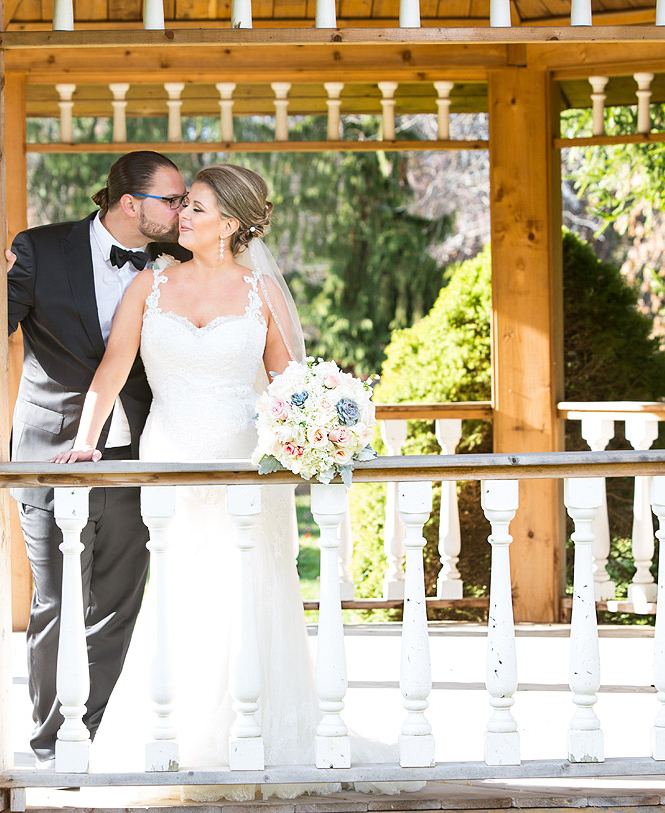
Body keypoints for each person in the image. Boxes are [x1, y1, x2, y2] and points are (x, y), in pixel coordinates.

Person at [53, 165, 420, 800]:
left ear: (228, 225)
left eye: (195, 209)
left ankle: (259, 739)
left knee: (248, 594)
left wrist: (316, 429)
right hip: (168, 463)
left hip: (247, 467)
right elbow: (113, 369)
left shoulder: (259, 293)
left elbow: (289, 386)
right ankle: (177, 740)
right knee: (180, 595)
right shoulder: (149, 285)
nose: (180, 218)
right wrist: (87, 440)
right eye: (182, 207)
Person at [7, 151, 192, 766]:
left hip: (142, 452)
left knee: (117, 600)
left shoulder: (181, 263)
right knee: (56, 598)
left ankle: (87, 735)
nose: (182, 208)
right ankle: (47, 744)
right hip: (53, 448)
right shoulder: (36, 250)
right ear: (129, 203)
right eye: (171, 198)